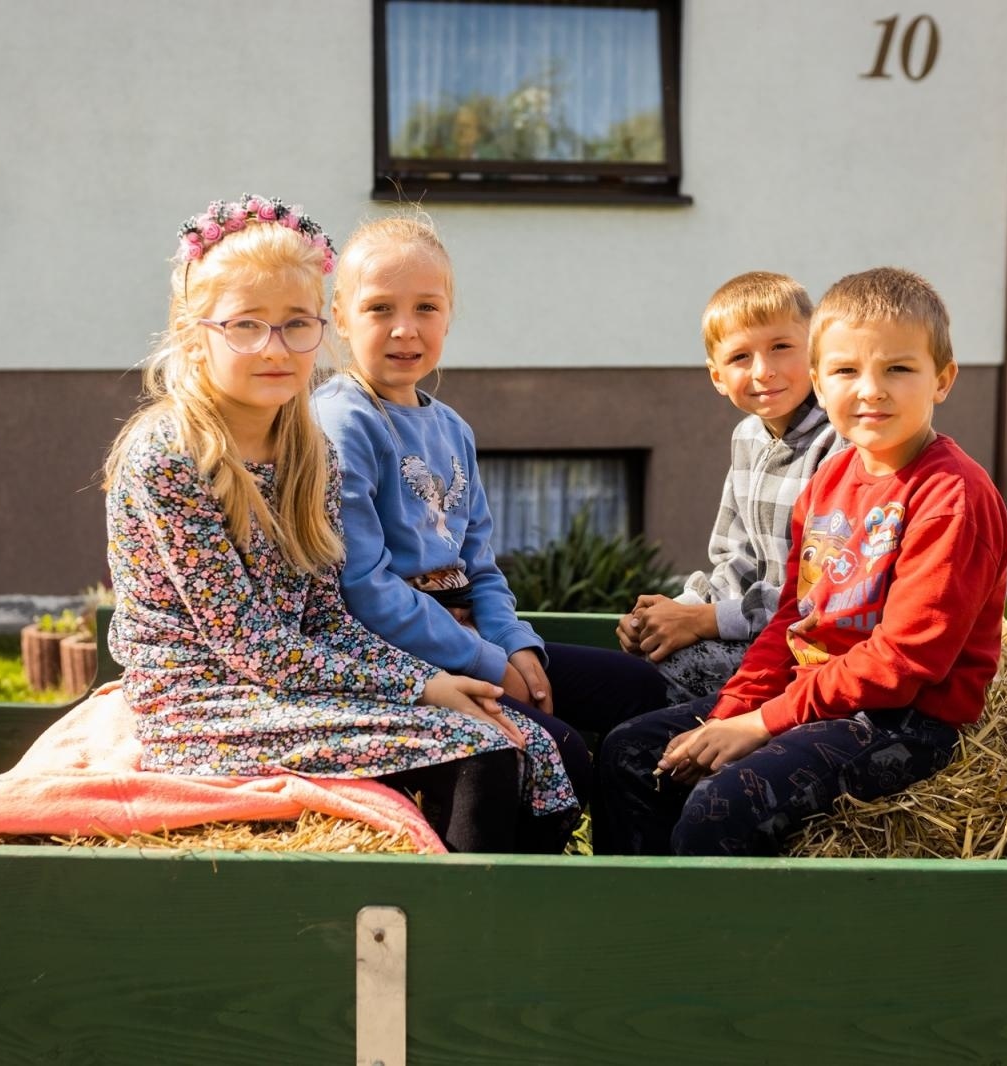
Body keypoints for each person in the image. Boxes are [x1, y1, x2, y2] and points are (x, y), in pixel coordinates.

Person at [103, 194, 577, 853]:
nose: (276, 348)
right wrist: (422, 682)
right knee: (480, 751)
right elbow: (253, 647)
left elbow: (325, 619)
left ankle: (523, 925)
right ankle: (461, 937)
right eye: (246, 326)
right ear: (195, 333)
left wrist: (438, 684)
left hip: (293, 680)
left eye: (297, 324)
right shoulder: (169, 458)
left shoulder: (308, 451)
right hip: (206, 702)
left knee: (514, 738)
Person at [595, 267, 1007, 857]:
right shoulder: (831, 478)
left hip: (901, 721)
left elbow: (904, 661)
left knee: (718, 807)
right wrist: (737, 708)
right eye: (846, 370)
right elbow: (793, 617)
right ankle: (624, 932)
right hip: (812, 693)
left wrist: (760, 725)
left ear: (942, 380)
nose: (870, 390)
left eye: (898, 368)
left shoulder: (952, 498)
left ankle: (693, 945)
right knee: (630, 753)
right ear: (819, 379)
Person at [311, 213, 667, 817]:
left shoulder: (451, 427)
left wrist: (516, 645)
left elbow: (480, 565)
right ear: (340, 317)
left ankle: (633, 879)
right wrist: (488, 662)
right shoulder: (344, 421)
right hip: (397, 652)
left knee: (642, 691)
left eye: (426, 307)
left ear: (450, 315)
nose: (405, 329)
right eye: (379, 309)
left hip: (474, 636)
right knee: (556, 751)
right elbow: (363, 588)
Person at [616, 272, 845, 703]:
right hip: (751, 631)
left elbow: (818, 599)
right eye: (741, 357)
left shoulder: (838, 446)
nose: (764, 370)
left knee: (653, 679)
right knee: (643, 654)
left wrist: (702, 621)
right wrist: (677, 610)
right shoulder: (748, 438)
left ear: (816, 351)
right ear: (717, 376)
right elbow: (735, 562)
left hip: (810, 653)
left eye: (781, 346)